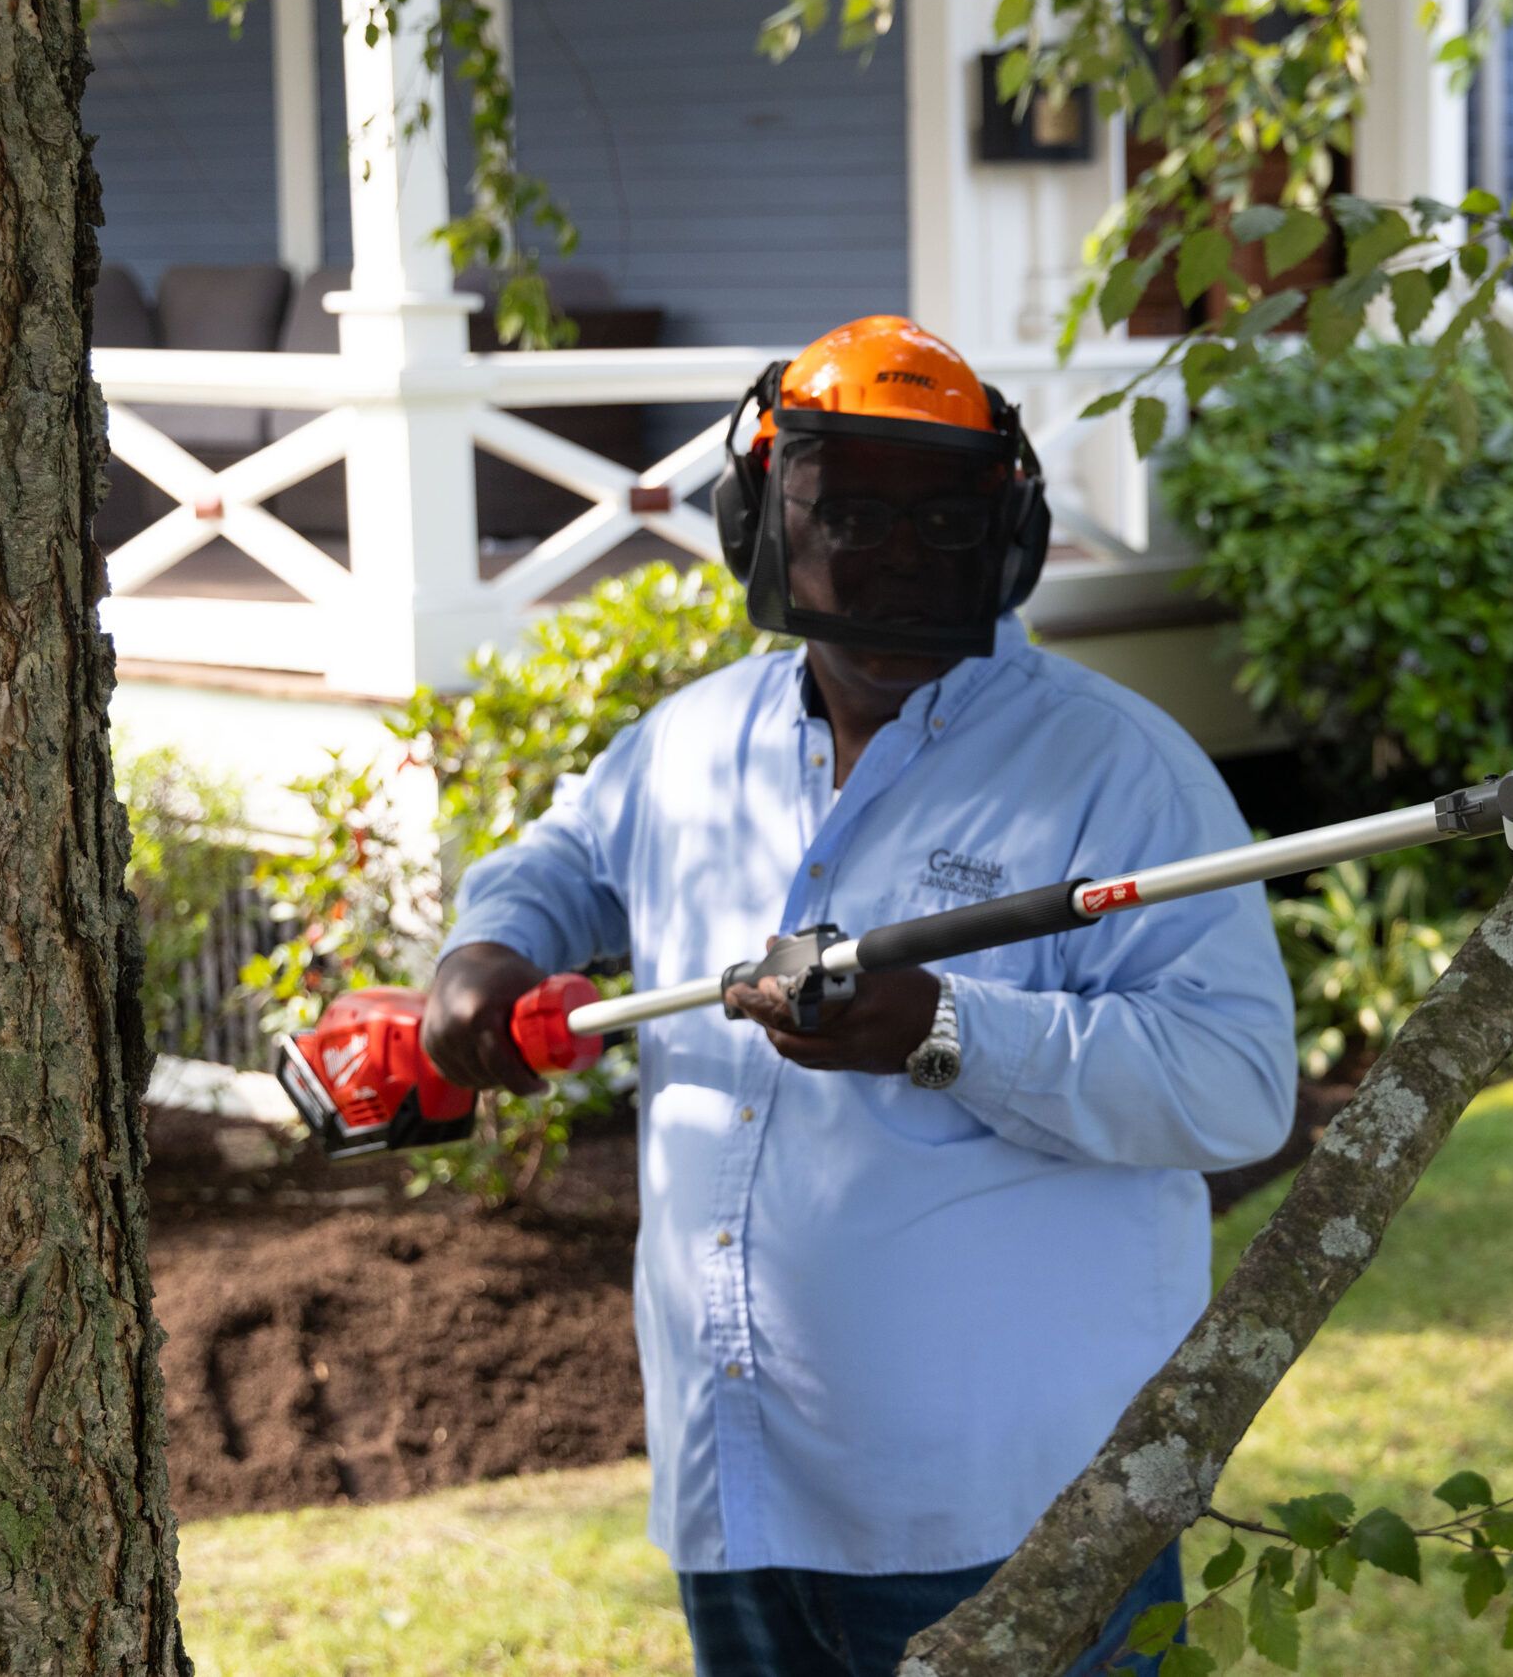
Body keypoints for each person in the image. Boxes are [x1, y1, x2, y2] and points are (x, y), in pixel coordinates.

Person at [420, 316, 1298, 1677]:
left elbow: (1237, 1084)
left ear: (1003, 539)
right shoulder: (690, 745)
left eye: (939, 525)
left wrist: (945, 1030)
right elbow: (563, 865)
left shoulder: (1122, 771)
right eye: (850, 516)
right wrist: (490, 945)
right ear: (760, 519)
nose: (895, 560)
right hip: (743, 1498)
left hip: (1012, 1516)